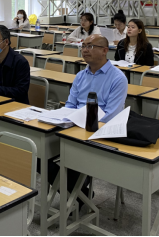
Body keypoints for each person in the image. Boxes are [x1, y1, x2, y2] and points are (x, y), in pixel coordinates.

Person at [49, 35, 128, 206]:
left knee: (71, 154)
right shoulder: (80, 76)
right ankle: (81, 194)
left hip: (98, 132)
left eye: (90, 46)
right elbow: (70, 105)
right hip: (73, 127)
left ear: (105, 50)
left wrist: (80, 127)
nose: (85, 50)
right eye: (83, 46)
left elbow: (110, 116)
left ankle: (78, 193)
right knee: (41, 154)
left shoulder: (118, 78)